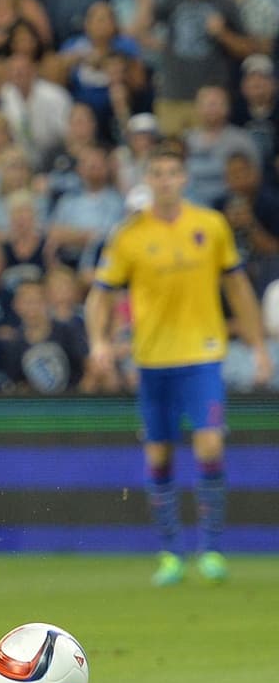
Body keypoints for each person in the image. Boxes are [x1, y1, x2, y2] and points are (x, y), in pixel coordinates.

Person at [86, 142, 273, 587]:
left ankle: (211, 548)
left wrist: (259, 346)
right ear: (147, 180)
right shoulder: (129, 235)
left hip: (202, 355)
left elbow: (238, 288)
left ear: (184, 178)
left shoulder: (210, 226)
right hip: (152, 360)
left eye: (172, 172)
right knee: (160, 453)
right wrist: (97, 341)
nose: (165, 180)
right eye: (158, 173)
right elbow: (101, 295)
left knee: (209, 445)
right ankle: (170, 551)